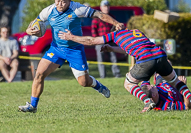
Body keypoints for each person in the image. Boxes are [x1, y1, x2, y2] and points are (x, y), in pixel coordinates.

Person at [18, 0, 124, 113]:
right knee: (39, 74)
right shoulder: (49, 10)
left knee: (84, 82)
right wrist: (29, 31)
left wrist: (116, 23)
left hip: (75, 50)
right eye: (57, 1)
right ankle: (33, 106)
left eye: (63, 2)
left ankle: (98, 86)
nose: (59, 4)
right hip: (56, 49)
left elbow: (100, 15)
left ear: (69, 1)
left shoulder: (78, 9)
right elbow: (35, 22)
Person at [58, 28, 191, 112]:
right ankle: (189, 97)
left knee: (128, 83)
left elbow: (92, 40)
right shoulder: (136, 32)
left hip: (146, 59)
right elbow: (129, 49)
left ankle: (147, 101)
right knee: (175, 81)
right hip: (160, 54)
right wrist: (111, 48)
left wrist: (71, 37)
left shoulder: (114, 35)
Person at [91, 0, 121, 78]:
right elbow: (94, 31)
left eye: (107, 6)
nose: (106, 8)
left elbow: (115, 29)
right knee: (101, 60)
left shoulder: (112, 17)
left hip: (110, 41)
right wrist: (96, 41)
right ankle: (102, 76)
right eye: (104, 6)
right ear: (101, 8)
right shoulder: (97, 18)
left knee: (114, 58)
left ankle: (117, 74)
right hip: (100, 42)